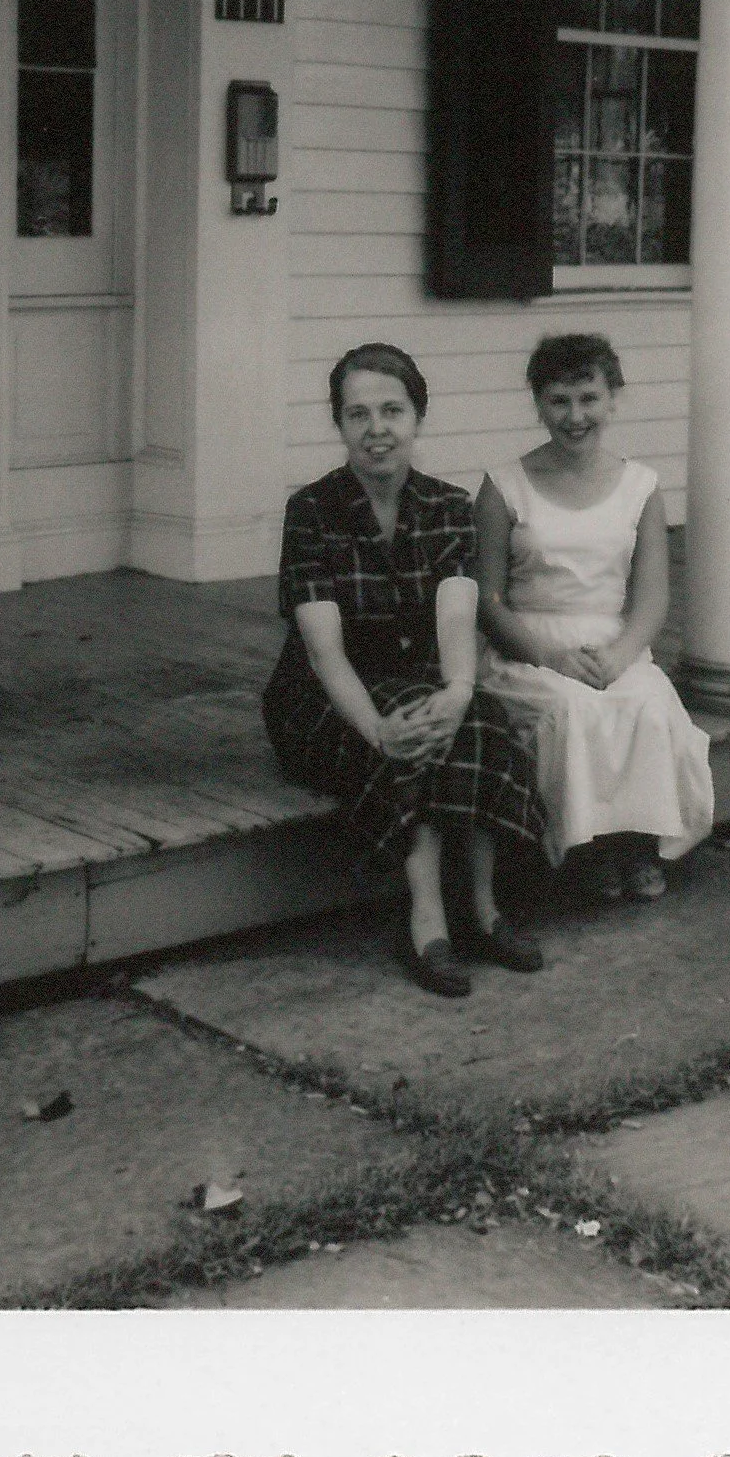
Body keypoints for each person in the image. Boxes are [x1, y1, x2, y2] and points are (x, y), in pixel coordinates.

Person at [263, 342, 547, 998]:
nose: (377, 429)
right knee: (407, 731)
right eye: (358, 414)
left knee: (475, 722)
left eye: (392, 410)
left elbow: (455, 615)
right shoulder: (311, 511)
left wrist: (457, 691)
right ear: (339, 425)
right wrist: (376, 731)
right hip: (324, 702)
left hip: (420, 682)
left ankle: (483, 909)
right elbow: (322, 651)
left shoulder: (447, 507)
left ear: (417, 417)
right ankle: (427, 919)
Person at [474, 333, 714, 902]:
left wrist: (620, 653)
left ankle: (637, 844)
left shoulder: (640, 487)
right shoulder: (503, 487)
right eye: (559, 400)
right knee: (572, 709)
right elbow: (487, 600)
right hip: (529, 646)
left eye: (588, 398)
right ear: (538, 404)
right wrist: (550, 657)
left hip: (613, 642)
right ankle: (585, 853)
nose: (574, 416)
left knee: (648, 706)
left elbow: (652, 598)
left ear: (613, 400)